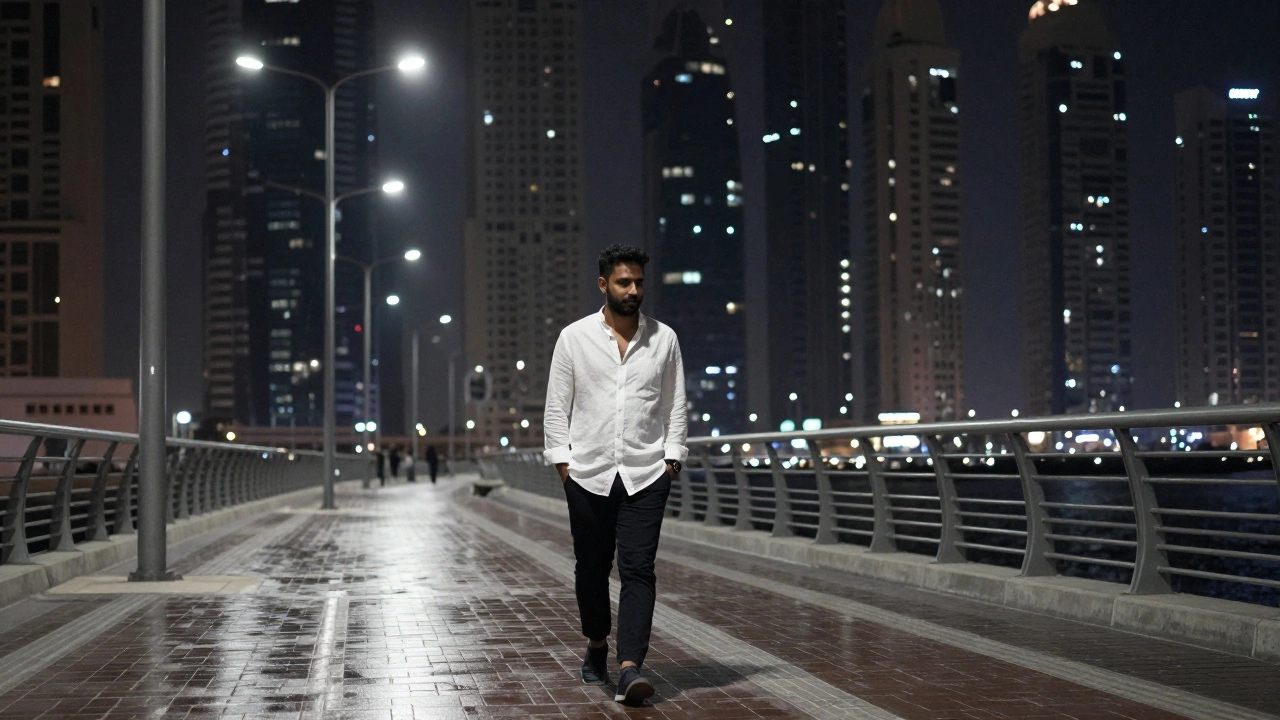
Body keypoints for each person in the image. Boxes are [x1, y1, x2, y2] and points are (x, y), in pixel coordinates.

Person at [543, 244, 687, 705]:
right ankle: (597, 645)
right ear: (603, 284)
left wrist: (672, 458)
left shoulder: (664, 339)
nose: (634, 290)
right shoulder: (573, 338)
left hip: (647, 473)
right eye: (624, 282)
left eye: (639, 282)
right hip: (588, 473)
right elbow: (556, 408)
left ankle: (630, 668)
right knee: (591, 569)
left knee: (638, 568)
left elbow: (674, 404)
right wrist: (564, 465)